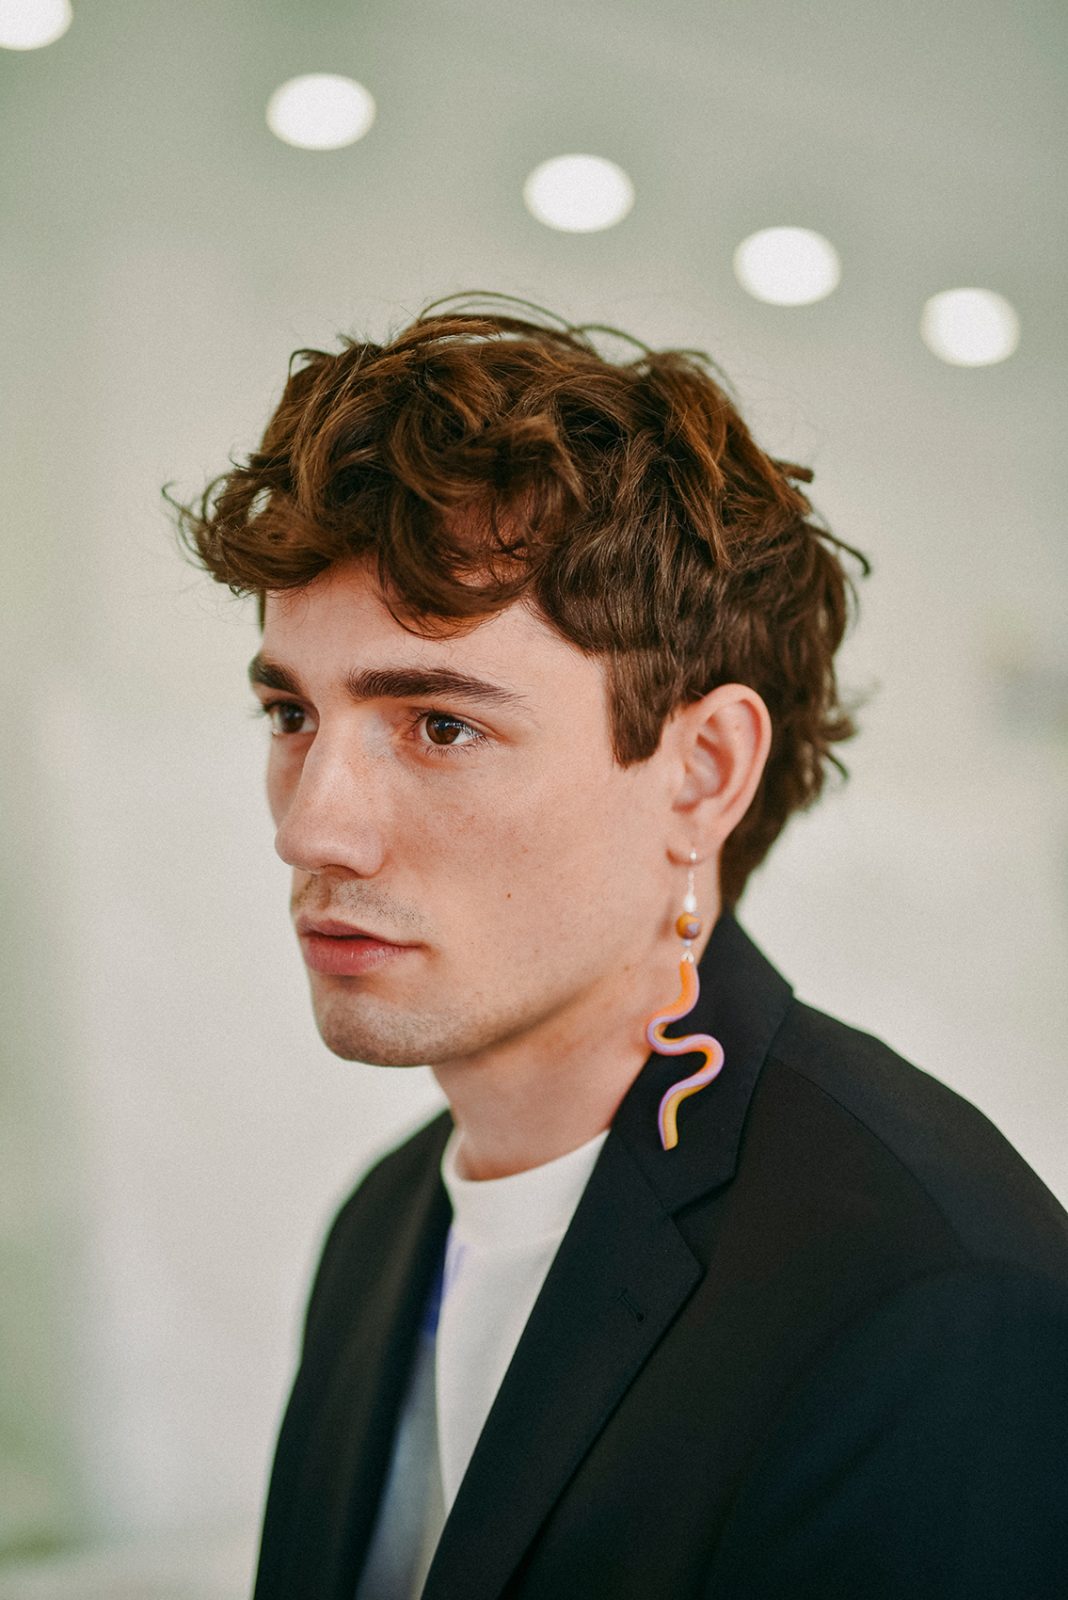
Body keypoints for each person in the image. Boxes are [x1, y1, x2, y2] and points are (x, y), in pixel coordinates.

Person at [173, 297, 1068, 1599]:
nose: (311, 826)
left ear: (702, 771)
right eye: (290, 714)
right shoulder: (381, 1229)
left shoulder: (931, 1301)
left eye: (439, 726)